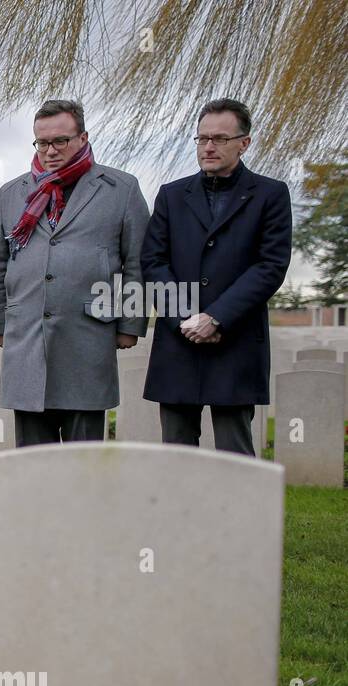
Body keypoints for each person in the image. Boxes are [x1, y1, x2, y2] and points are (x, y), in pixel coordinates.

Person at [0, 99, 150, 448]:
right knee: (32, 461)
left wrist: (130, 324)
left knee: (83, 462)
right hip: (27, 336)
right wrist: (0, 323)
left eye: (60, 140)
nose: (50, 151)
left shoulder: (120, 189)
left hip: (88, 336)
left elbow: (137, 262)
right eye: (42, 143)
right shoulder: (13, 193)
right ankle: (35, 507)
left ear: (83, 137)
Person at [142, 98, 293, 454]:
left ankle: (241, 514)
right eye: (202, 138)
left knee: (234, 453)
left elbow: (270, 265)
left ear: (244, 142)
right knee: (177, 454)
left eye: (220, 139)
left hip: (236, 340)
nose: (209, 147)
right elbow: (153, 261)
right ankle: (182, 513)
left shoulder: (270, 195)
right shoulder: (172, 195)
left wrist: (216, 318)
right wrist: (186, 318)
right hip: (179, 342)